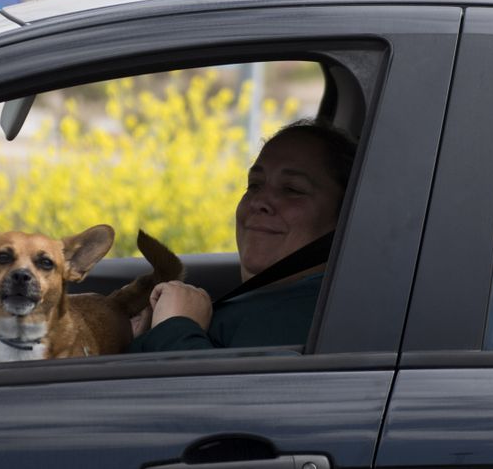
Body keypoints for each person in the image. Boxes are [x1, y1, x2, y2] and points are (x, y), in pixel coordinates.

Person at [129, 120, 356, 352]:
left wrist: (174, 327)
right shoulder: (273, 300)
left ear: (347, 213)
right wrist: (147, 336)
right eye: (254, 185)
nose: (258, 202)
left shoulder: (310, 315)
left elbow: (221, 388)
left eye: (292, 190)